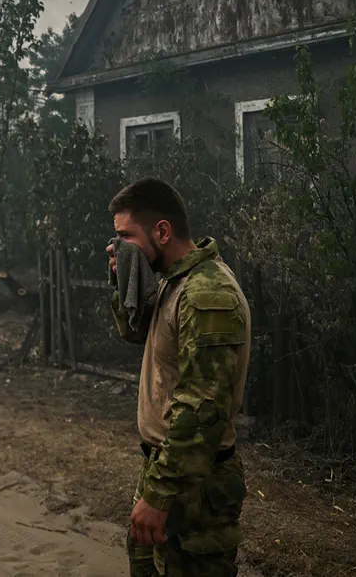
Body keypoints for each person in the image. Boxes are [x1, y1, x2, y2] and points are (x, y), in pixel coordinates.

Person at [105, 177, 252, 577]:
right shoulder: (175, 281)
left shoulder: (206, 294)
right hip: (167, 469)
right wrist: (122, 279)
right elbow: (134, 330)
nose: (116, 246)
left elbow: (202, 410)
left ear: (162, 231)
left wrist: (160, 493)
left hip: (194, 486)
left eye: (125, 236)